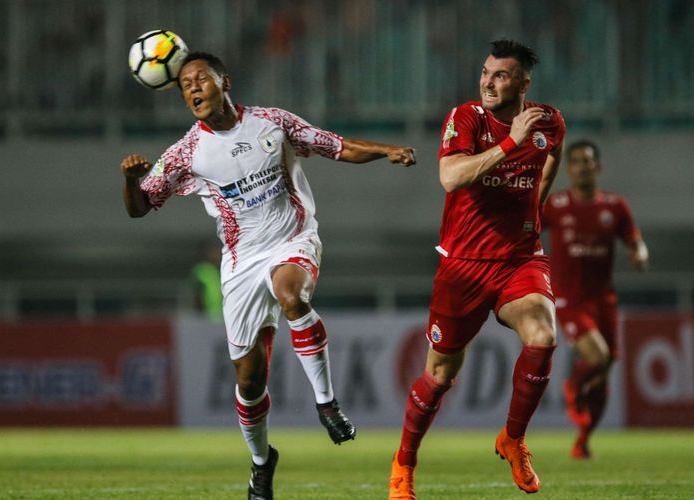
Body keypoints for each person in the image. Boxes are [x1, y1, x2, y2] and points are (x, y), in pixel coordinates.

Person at [120, 51, 416, 500]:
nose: (195, 89)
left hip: (293, 240)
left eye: (202, 79)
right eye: (186, 86)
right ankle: (261, 463)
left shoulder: (272, 123)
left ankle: (326, 403)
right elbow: (139, 207)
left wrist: (386, 150)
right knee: (249, 379)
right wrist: (131, 179)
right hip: (240, 261)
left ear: (225, 81)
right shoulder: (186, 152)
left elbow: (335, 145)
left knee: (292, 296)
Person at [388, 39, 565, 498]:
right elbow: (450, 177)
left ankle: (513, 438)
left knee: (543, 336)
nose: (488, 81)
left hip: (520, 259)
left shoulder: (550, 123)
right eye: (485, 72)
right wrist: (511, 143)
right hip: (463, 266)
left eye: (500, 75)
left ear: (524, 83)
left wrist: (535, 213)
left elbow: (550, 162)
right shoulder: (465, 118)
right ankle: (404, 463)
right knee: (440, 377)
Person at [541, 139, 648, 459]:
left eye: (588, 161)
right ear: (569, 169)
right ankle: (573, 386)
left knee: (604, 371)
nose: (583, 166)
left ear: (597, 167)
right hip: (569, 300)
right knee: (599, 357)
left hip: (604, 300)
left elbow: (635, 241)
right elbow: (525, 229)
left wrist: (639, 254)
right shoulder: (556, 205)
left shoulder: (615, 207)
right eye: (576, 161)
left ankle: (584, 438)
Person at [190, 239, 224, 321]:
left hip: (222, 314)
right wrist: (199, 313)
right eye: (213, 252)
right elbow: (196, 293)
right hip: (206, 315)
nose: (216, 255)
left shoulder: (223, 269)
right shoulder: (201, 270)